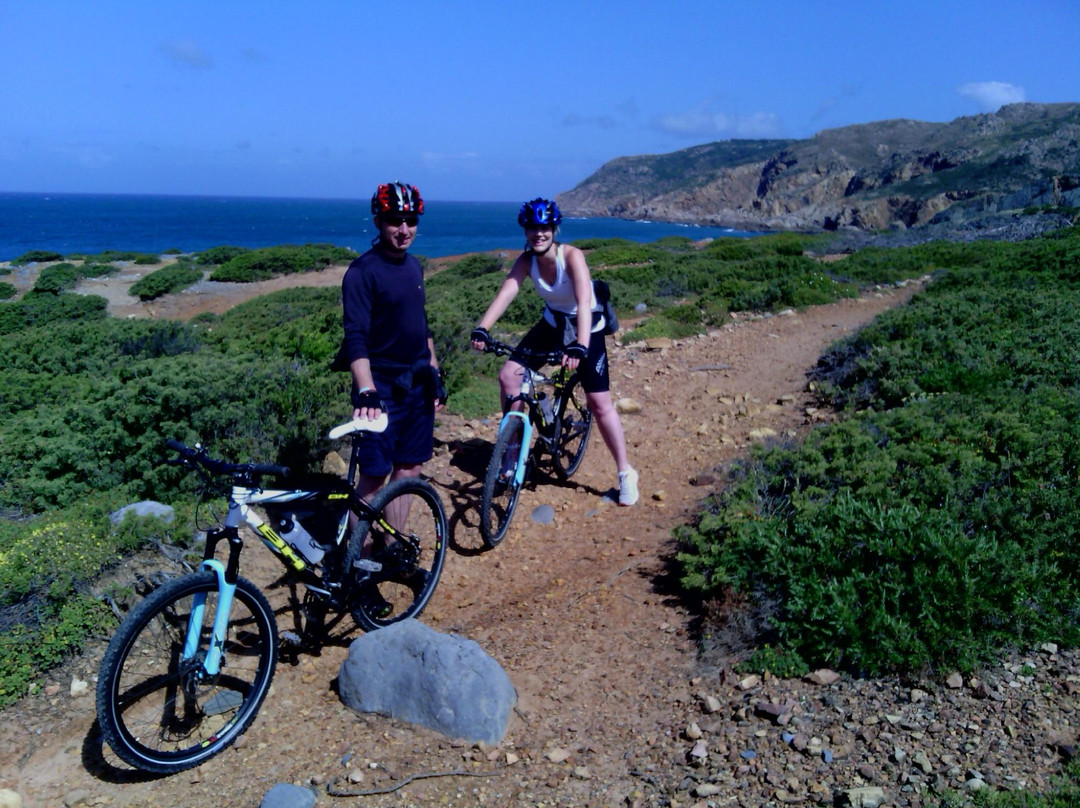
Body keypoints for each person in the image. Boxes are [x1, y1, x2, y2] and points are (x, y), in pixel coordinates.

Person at [470, 197, 639, 506]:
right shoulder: (526, 260)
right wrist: (483, 327)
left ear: (554, 229)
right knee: (509, 376)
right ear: (526, 230)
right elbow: (508, 290)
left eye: (545, 227)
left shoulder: (571, 257)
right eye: (533, 228)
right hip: (552, 325)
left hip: (587, 327)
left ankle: (625, 472)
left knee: (599, 404)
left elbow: (584, 302)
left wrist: (581, 345)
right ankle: (510, 453)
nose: (539, 234)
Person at [333, 181, 447, 558]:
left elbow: (421, 325)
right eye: (395, 221)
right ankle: (360, 565)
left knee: (409, 467)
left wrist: (434, 372)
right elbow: (356, 338)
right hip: (379, 385)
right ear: (379, 221)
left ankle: (392, 548)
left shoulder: (413, 265)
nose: (404, 229)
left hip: (416, 383)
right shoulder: (362, 272)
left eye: (410, 220)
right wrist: (366, 391)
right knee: (373, 475)